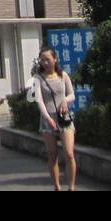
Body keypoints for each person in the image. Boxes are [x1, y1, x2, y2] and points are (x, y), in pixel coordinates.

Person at [32, 46, 77, 191]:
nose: (45, 63)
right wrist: (47, 118)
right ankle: (57, 187)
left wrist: (65, 100)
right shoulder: (38, 79)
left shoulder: (63, 75)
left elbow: (72, 94)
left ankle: (71, 186)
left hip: (64, 118)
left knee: (69, 153)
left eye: (47, 59)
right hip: (48, 118)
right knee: (52, 154)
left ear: (55, 60)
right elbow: (39, 100)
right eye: (42, 60)